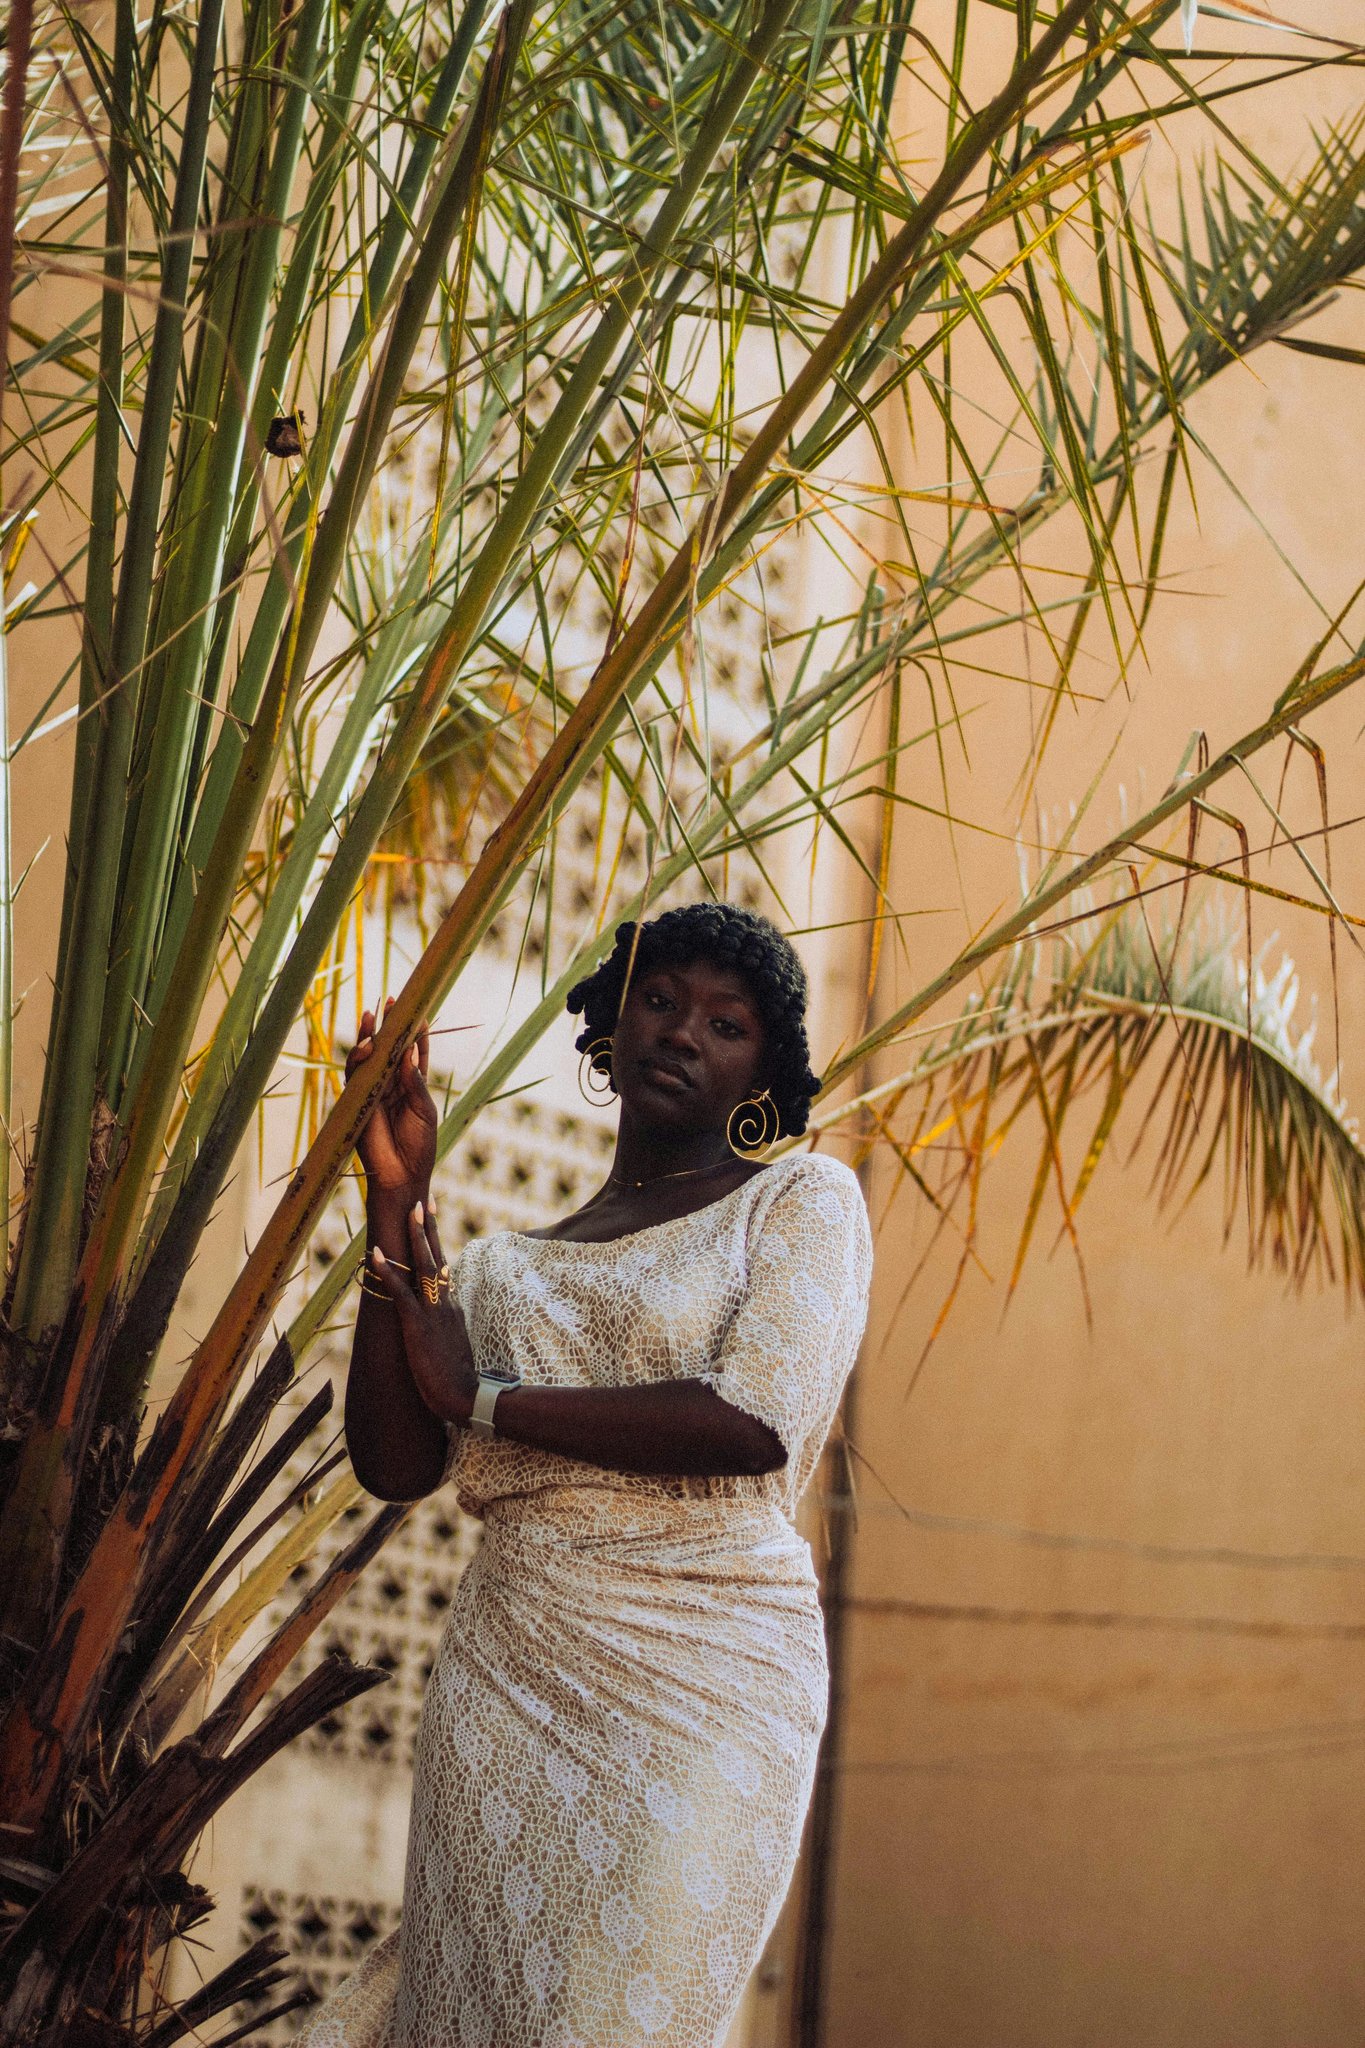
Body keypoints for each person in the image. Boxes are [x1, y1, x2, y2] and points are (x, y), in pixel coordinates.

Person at [298, 902, 873, 2048]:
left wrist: (492, 1396)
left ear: (766, 1066)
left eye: (726, 1022)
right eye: (658, 1000)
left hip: (712, 1683)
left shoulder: (801, 1204)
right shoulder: (508, 1269)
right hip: (511, 1677)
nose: (681, 1033)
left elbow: (753, 1420)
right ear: (613, 1024)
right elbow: (399, 1458)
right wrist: (397, 1202)